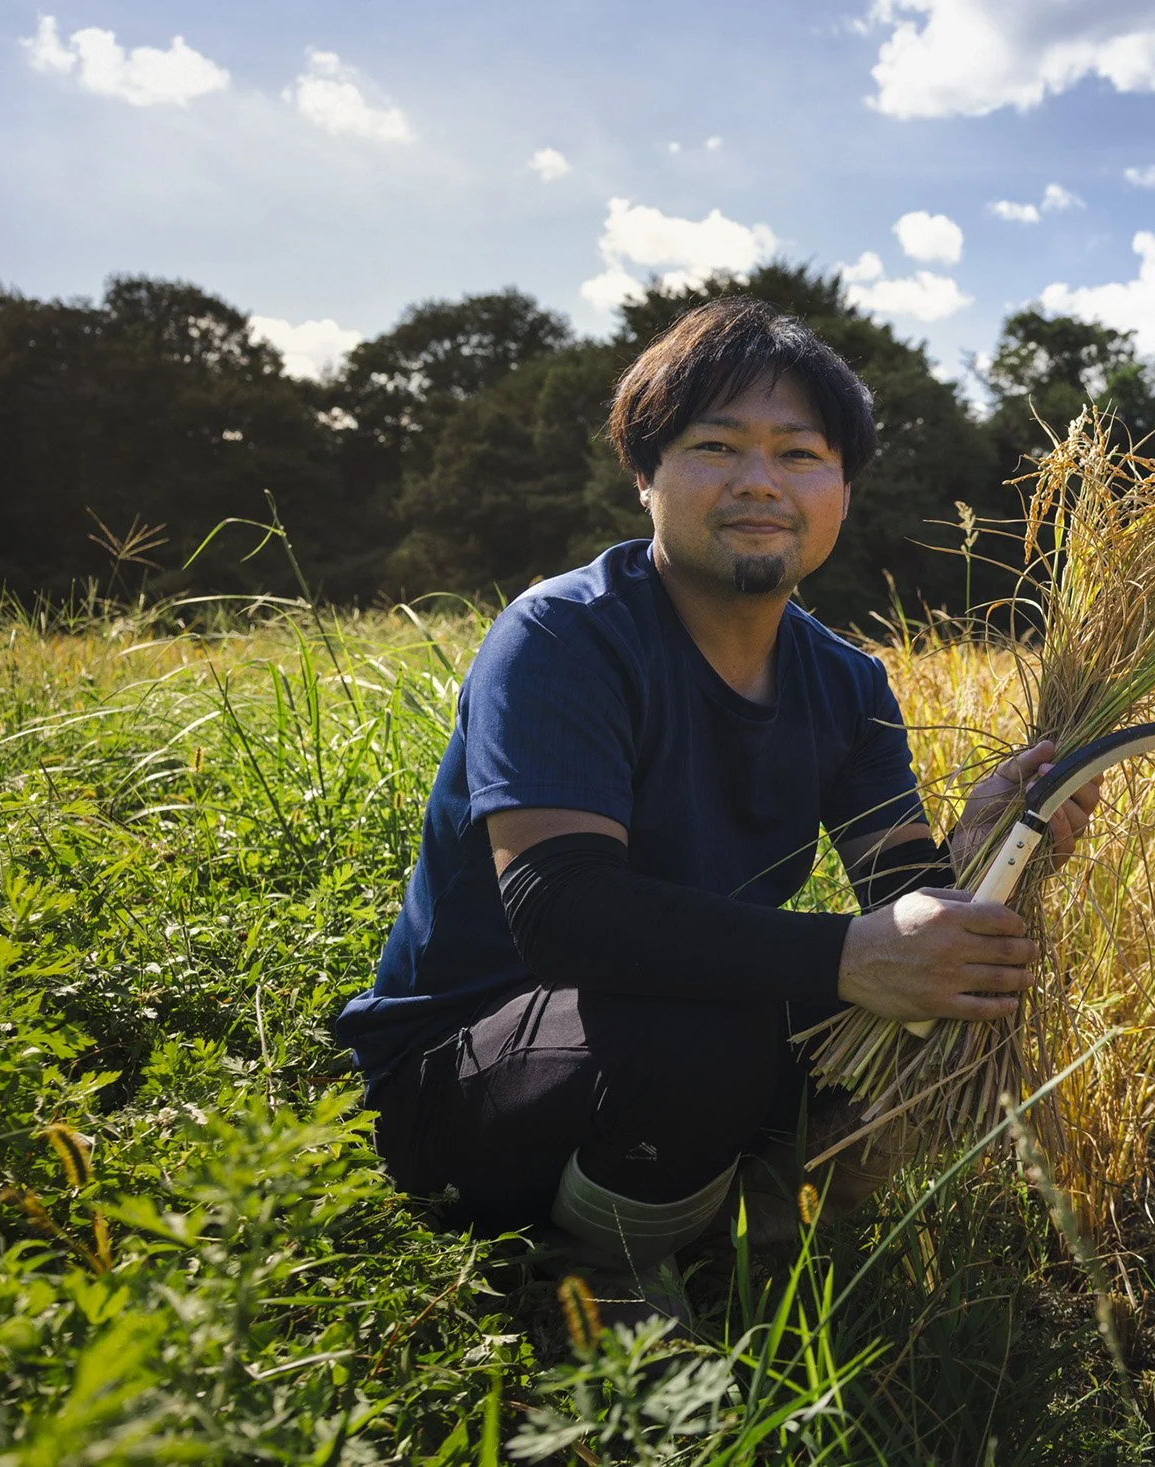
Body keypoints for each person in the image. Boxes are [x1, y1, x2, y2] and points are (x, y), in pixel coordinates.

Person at [334, 297, 1100, 1314]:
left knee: (910, 999)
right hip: (461, 1079)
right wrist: (846, 956)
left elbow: (899, 894)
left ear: (840, 489)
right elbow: (561, 910)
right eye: (714, 447)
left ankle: (732, 1231)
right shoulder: (565, 636)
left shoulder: (845, 683)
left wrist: (980, 844)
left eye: (798, 454)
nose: (758, 483)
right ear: (645, 475)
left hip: (651, 1047)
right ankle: (587, 1280)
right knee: (721, 1026)